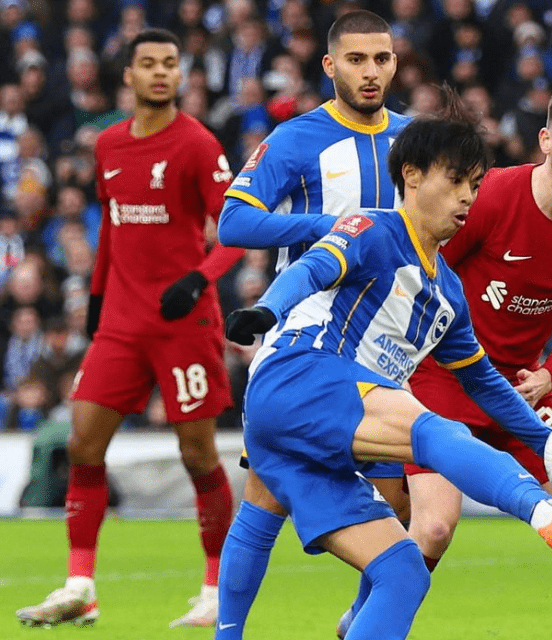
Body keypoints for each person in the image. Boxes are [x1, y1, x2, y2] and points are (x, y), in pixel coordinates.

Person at [222, 97, 552, 640]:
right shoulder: (374, 228)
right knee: (434, 466)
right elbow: (314, 268)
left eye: (473, 184)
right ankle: (544, 514)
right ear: (412, 176)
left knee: (399, 571)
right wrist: (266, 309)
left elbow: (485, 380)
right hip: (304, 377)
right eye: (458, 184)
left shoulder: (447, 293)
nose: (469, 197)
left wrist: (548, 441)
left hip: (365, 404)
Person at [378, 84, 552, 640]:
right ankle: (366, 622)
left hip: (522, 391)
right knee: (435, 529)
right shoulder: (492, 195)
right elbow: (426, 268)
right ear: (546, 141)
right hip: (443, 379)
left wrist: (549, 374)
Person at [15, 28, 244, 629]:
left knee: (197, 454)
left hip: (183, 326)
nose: (162, 73)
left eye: (171, 63)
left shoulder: (196, 143)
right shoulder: (111, 143)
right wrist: (94, 303)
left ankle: (218, 587)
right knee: (84, 445)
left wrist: (200, 279)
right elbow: (114, 229)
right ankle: (81, 586)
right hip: (121, 322)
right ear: (129, 75)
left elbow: (239, 226)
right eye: (150, 64)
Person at [212, 11, 413, 637]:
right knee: (265, 498)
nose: (371, 71)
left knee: (398, 502)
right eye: (357, 59)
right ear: (330, 66)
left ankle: (357, 620)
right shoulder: (298, 139)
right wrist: (329, 226)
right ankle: (229, 633)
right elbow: (234, 221)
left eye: (381, 58)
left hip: (389, 344)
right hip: (306, 338)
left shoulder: (415, 140)